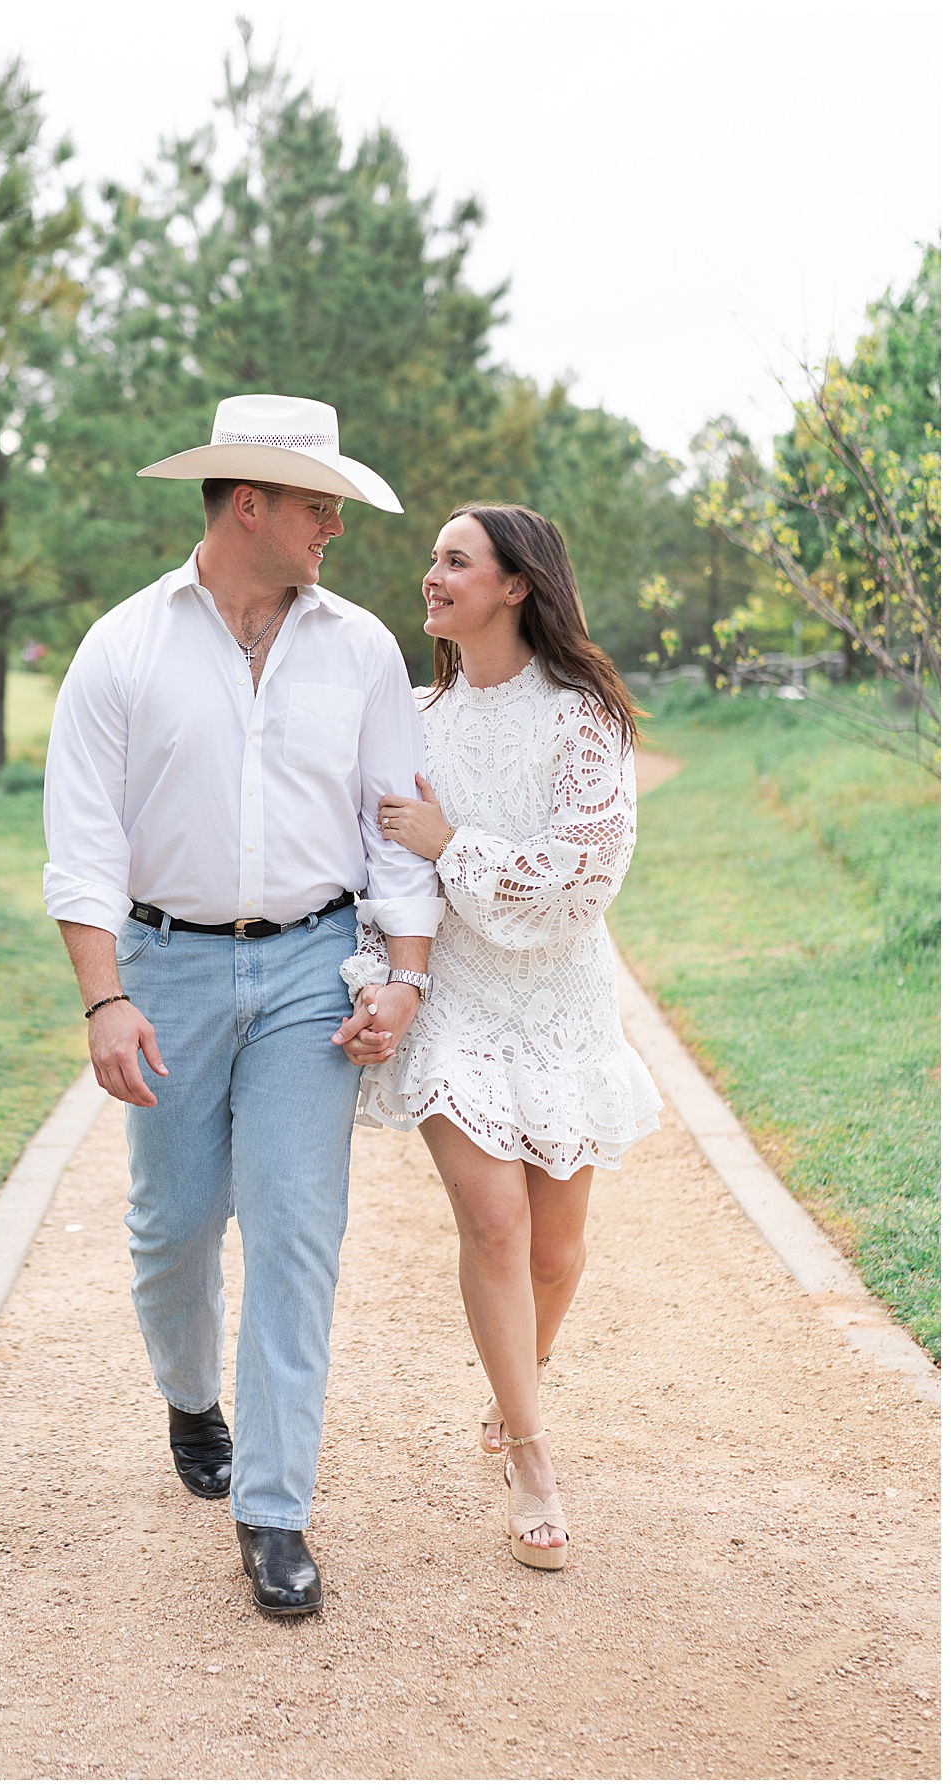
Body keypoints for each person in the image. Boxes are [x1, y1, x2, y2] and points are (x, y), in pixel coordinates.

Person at [43, 393, 443, 1616]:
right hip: (164, 966)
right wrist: (104, 997)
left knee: (293, 1228)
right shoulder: (122, 646)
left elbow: (395, 828)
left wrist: (408, 975)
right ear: (248, 502)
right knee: (172, 1227)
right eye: (319, 502)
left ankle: (276, 1508)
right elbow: (83, 841)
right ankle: (188, 1393)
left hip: (311, 972)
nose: (337, 522)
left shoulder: (364, 648)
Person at [334, 503, 662, 1571]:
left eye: (455, 559)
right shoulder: (413, 722)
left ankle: (515, 1374)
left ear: (515, 584)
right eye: (433, 558)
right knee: (496, 1227)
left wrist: (451, 840)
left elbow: (581, 878)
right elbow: (378, 874)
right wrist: (386, 980)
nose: (431, 575)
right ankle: (532, 1458)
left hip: (563, 1005)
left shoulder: (584, 718)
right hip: (459, 1005)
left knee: (559, 1251)